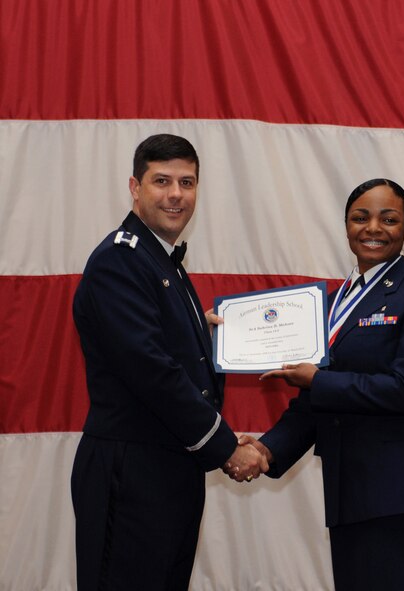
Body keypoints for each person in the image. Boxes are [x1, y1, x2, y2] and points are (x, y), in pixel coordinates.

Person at [71, 133, 268, 591]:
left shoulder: (160, 262)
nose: (176, 194)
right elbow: (152, 371)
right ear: (135, 188)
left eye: (187, 182)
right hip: (132, 471)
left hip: (168, 467)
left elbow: (164, 345)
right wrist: (226, 447)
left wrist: (204, 330)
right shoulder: (120, 262)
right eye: (162, 181)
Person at [247, 179, 404, 591]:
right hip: (349, 493)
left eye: (389, 218)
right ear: (346, 226)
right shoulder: (329, 305)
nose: (373, 228)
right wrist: (264, 451)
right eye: (360, 217)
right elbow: (314, 400)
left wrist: (319, 380)